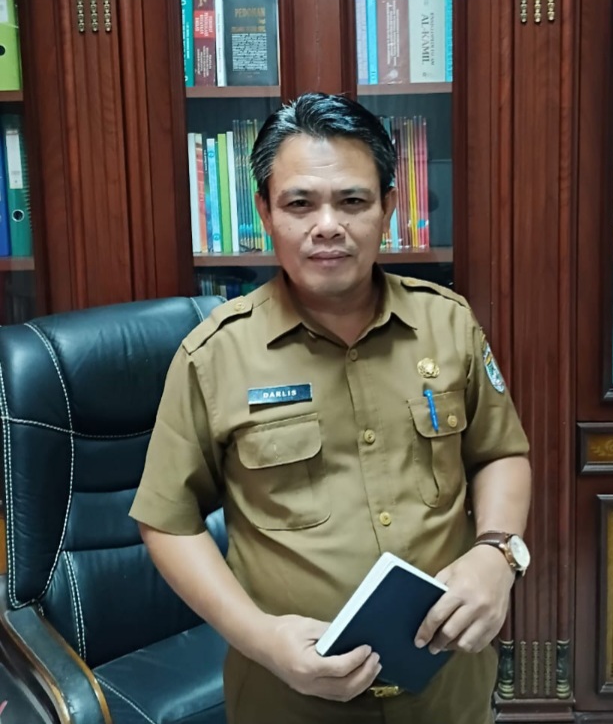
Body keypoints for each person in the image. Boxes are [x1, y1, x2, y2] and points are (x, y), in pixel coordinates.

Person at [129, 92, 531, 724]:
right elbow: (168, 522)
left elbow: (500, 453)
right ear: (266, 211)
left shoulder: (448, 323)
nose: (327, 225)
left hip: (448, 685)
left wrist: (497, 554)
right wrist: (261, 638)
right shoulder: (215, 356)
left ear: (388, 208)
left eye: (352, 201)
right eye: (299, 203)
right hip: (288, 697)